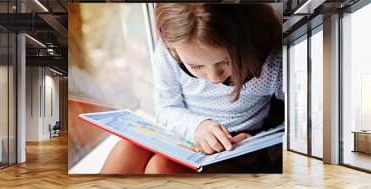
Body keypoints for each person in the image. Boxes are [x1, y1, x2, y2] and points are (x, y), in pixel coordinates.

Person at [101, 3, 283, 174]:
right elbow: (166, 108)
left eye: (226, 62)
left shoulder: (271, 62)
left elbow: (302, 119)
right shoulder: (168, 55)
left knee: (161, 167)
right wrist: (196, 127)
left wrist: (257, 142)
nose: (214, 78)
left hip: (236, 150)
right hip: (187, 135)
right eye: (196, 66)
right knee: (127, 148)